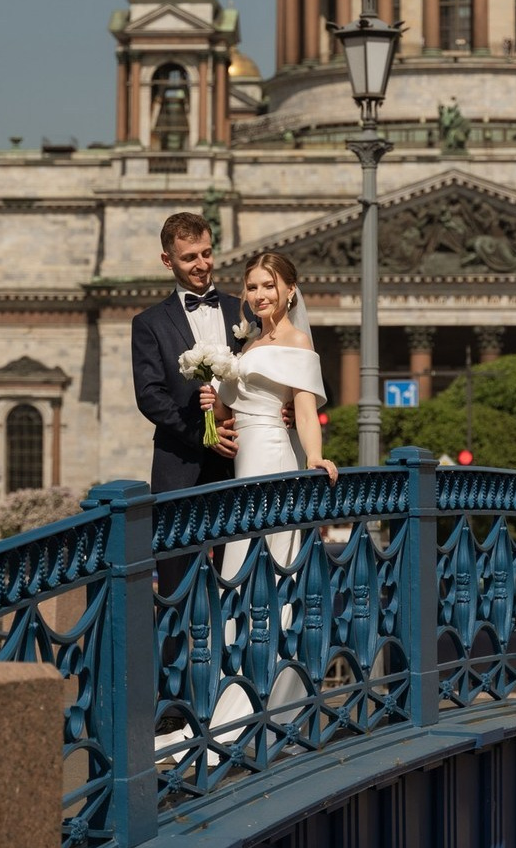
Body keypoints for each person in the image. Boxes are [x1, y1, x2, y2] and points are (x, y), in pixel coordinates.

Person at [195, 251, 337, 758]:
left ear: (290, 291)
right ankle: (237, 701)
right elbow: (238, 406)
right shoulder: (247, 343)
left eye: (269, 286)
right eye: (252, 287)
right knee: (238, 573)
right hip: (242, 470)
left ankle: (276, 705)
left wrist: (316, 458)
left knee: (273, 577)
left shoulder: (297, 342)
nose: (259, 295)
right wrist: (214, 404)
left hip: (273, 462)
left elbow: (301, 407)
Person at [132, 211, 243, 731]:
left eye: (206, 254)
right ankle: (174, 709)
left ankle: (240, 697)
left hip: (241, 468)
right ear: (167, 261)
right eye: (189, 258)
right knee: (176, 588)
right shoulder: (149, 324)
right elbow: (150, 396)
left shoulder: (245, 312)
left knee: (243, 579)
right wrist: (199, 432)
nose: (201, 266)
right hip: (179, 470)